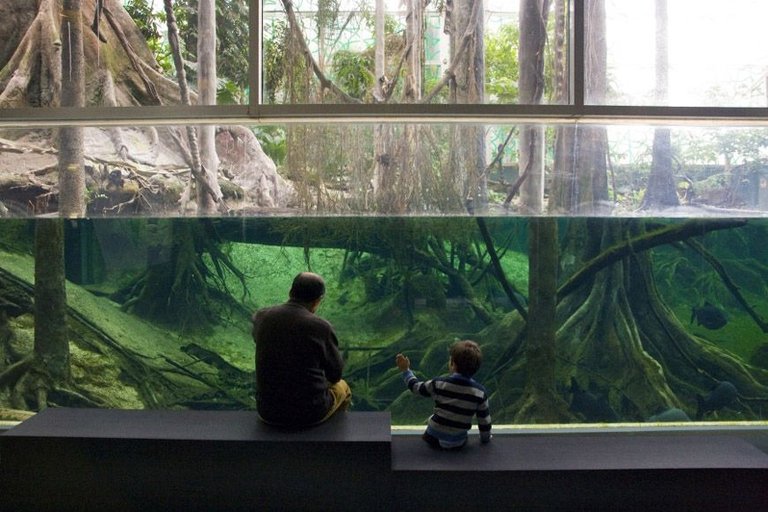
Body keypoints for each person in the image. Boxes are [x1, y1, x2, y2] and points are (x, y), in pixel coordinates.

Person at [252, 272, 351, 428]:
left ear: (290, 292)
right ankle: (333, 440)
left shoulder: (261, 317)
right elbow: (335, 374)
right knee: (343, 387)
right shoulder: (321, 327)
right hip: (309, 413)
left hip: (267, 411)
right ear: (317, 301)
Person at [395, 340, 492, 450]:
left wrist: (406, 370)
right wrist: (485, 439)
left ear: (452, 364)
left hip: (433, 437)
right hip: (457, 441)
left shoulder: (439, 384)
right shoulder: (480, 392)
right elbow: (484, 421)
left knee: (432, 418)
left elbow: (416, 387)